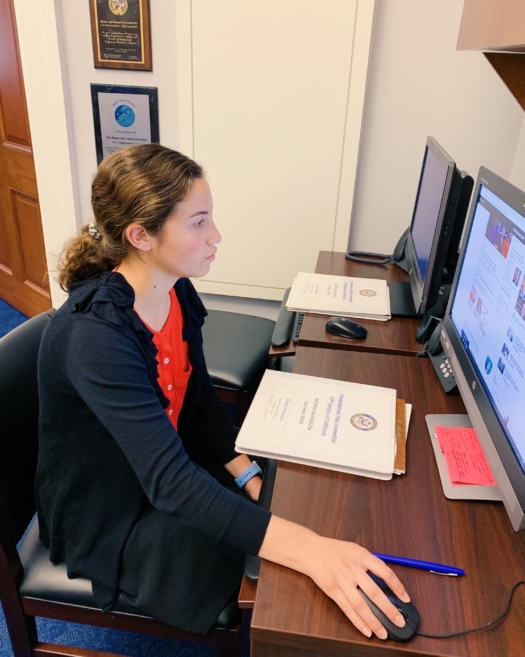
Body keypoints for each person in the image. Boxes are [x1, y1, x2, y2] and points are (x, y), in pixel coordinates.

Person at [36, 144, 410, 641]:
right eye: (198, 223)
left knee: (281, 511)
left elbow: (198, 405)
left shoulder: (173, 288)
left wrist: (248, 473)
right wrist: (310, 549)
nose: (215, 237)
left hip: (158, 462)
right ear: (140, 236)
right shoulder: (95, 337)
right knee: (270, 577)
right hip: (109, 508)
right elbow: (169, 483)